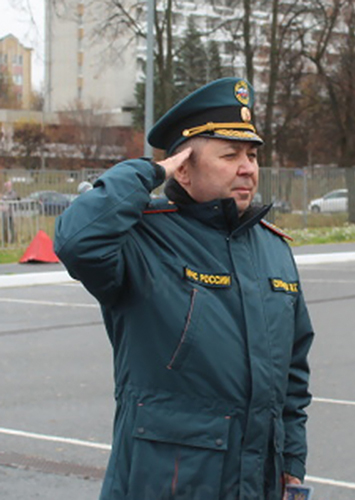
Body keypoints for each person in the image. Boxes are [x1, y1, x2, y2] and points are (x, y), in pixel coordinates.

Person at [54, 77, 314, 500]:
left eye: (251, 154)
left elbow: (292, 374)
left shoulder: (273, 248)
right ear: (185, 167)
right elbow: (76, 240)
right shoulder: (142, 239)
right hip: (167, 483)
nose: (247, 167)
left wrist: (291, 463)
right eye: (229, 155)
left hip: (257, 483)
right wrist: (150, 171)